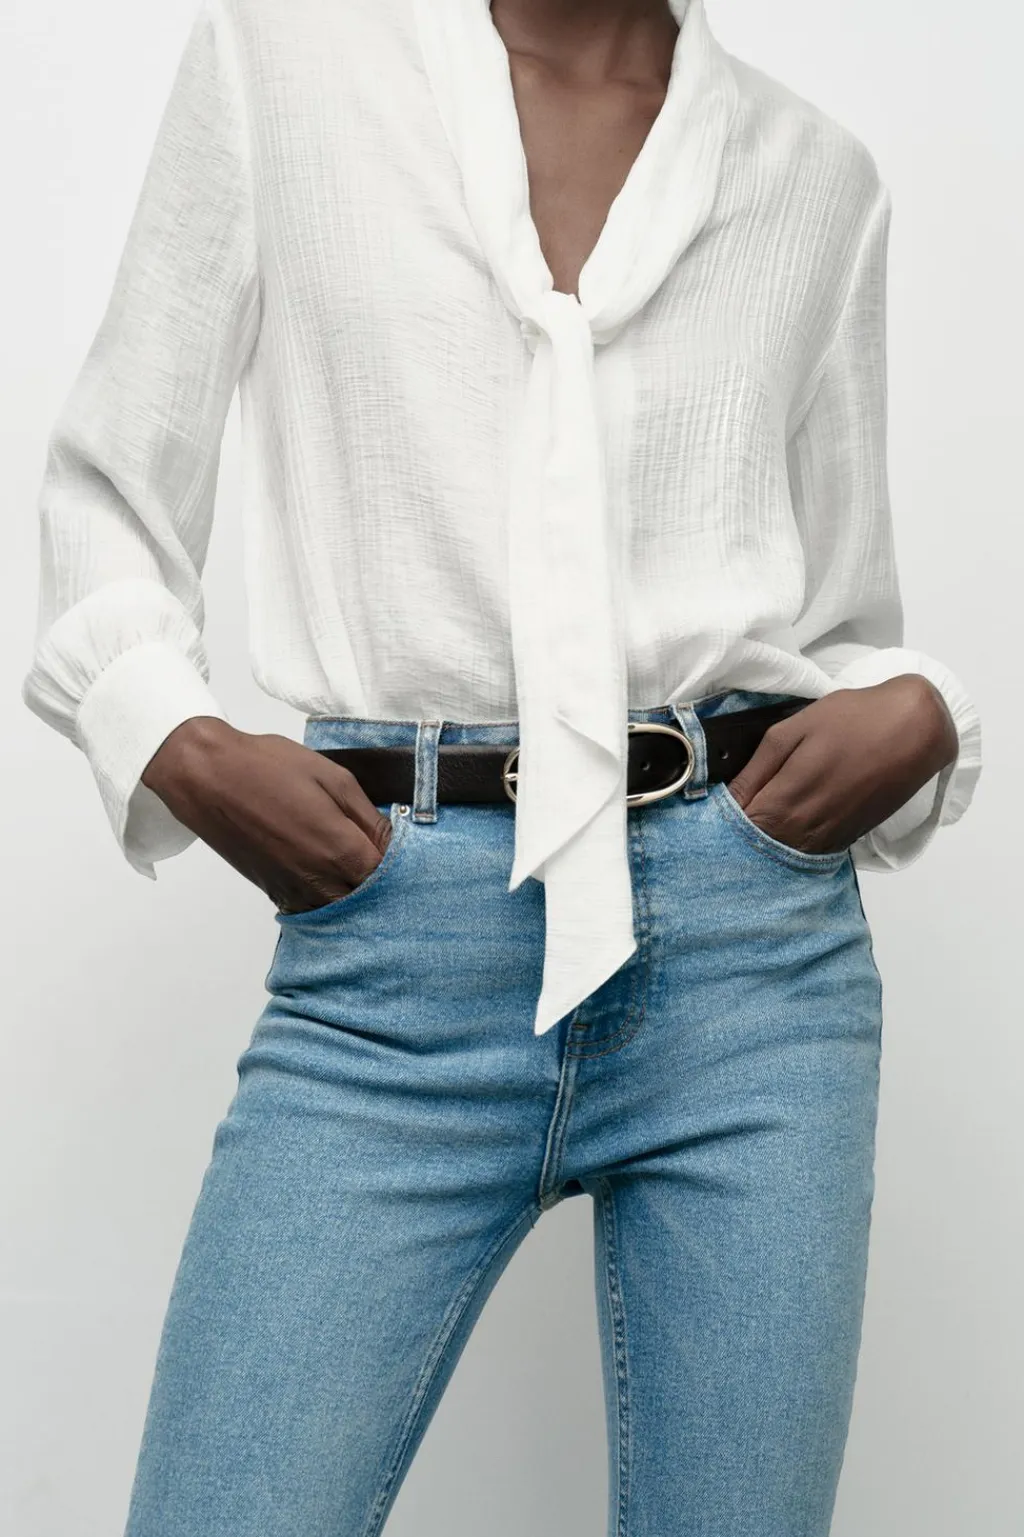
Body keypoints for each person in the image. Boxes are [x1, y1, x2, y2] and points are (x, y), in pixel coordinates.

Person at [22, 0, 982, 1532]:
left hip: (757, 978)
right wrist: (176, 739)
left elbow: (839, 621)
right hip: (392, 960)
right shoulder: (284, 68)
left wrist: (920, 714)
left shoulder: (817, 176)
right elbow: (109, 488)